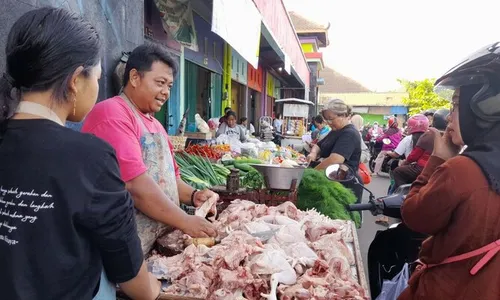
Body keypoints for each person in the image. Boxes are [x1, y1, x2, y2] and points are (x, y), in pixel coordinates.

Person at [0, 7, 160, 300]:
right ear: (76, 80)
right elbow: (133, 278)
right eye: (97, 78)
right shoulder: (90, 156)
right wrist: (155, 286)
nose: (98, 87)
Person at [82, 43, 217, 257]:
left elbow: (172, 180)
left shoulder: (155, 125)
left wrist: (194, 196)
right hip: (117, 254)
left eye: (170, 86)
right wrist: (184, 220)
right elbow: (135, 185)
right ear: (135, 78)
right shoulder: (113, 114)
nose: (166, 92)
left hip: (152, 248)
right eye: (160, 83)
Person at [399, 42, 500, 300]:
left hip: (446, 288)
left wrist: (437, 160)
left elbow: (416, 217)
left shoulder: (462, 169)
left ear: (484, 108)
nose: (450, 116)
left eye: (456, 105)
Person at [307, 99, 363, 202]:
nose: (328, 122)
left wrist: (311, 174)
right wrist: (313, 154)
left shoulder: (349, 134)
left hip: (344, 185)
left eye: (331, 119)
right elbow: (318, 145)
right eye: (326, 119)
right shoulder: (335, 131)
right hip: (331, 181)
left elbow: (335, 159)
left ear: (343, 115)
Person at [392, 109, 449, 189]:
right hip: (441, 169)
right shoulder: (450, 136)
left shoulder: (428, 135)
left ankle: (404, 194)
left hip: (423, 168)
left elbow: (413, 156)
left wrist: (405, 163)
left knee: (397, 171)